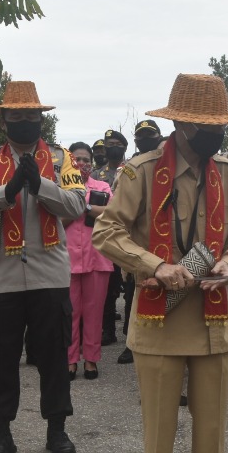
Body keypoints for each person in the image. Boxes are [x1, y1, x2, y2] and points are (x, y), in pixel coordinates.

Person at [93, 72, 228, 453]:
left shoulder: (226, 172)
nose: (215, 136)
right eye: (205, 127)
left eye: (219, 127)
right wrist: (155, 266)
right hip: (158, 322)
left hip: (211, 320)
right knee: (159, 432)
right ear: (181, 126)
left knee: (211, 431)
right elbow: (107, 231)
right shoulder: (140, 172)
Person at [0, 80, 87, 453]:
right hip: (2, 278)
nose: (25, 122)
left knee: (53, 359)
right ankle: (1, 435)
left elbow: (76, 206)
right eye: (17, 116)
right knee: (2, 358)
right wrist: (7, 189)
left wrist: (39, 183)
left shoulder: (63, 161)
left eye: (32, 116)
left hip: (50, 275)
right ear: (3, 122)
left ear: (41, 120)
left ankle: (57, 430)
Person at [116, 119, 166, 366]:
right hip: (139, 249)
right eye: (141, 136)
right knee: (133, 298)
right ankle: (131, 344)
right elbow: (121, 216)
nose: (146, 139)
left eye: (150, 135)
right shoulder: (131, 169)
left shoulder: (168, 165)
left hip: (167, 247)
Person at [65, 142, 114, 380]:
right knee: (70, 313)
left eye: (86, 160)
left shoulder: (102, 186)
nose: (82, 164)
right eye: (77, 159)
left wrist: (82, 204)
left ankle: (91, 360)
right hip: (67, 260)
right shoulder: (61, 187)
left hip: (98, 257)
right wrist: (90, 207)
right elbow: (58, 215)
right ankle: (70, 359)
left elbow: (111, 212)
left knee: (94, 312)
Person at [94, 129, 129, 346]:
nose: (112, 146)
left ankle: (129, 334)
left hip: (127, 236)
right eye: (109, 144)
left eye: (117, 143)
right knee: (107, 289)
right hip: (107, 238)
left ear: (124, 147)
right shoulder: (97, 175)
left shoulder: (132, 171)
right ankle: (107, 330)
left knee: (129, 288)